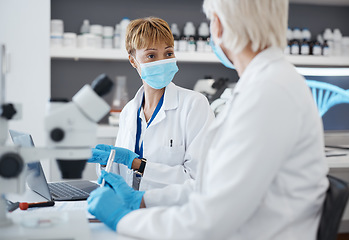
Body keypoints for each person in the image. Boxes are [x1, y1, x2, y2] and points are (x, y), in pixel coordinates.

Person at [88, 0, 329, 239]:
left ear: (220, 25)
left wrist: (123, 219)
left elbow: (209, 220)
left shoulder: (268, 91)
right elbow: (210, 185)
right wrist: (142, 199)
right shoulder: (265, 83)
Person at [88, 17, 214, 191]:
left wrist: (137, 164)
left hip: (172, 213)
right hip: (131, 209)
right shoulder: (129, 112)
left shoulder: (194, 105)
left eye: (168, 53)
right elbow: (120, 177)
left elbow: (197, 179)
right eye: (151, 55)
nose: (162, 61)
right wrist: (107, 162)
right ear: (133, 61)